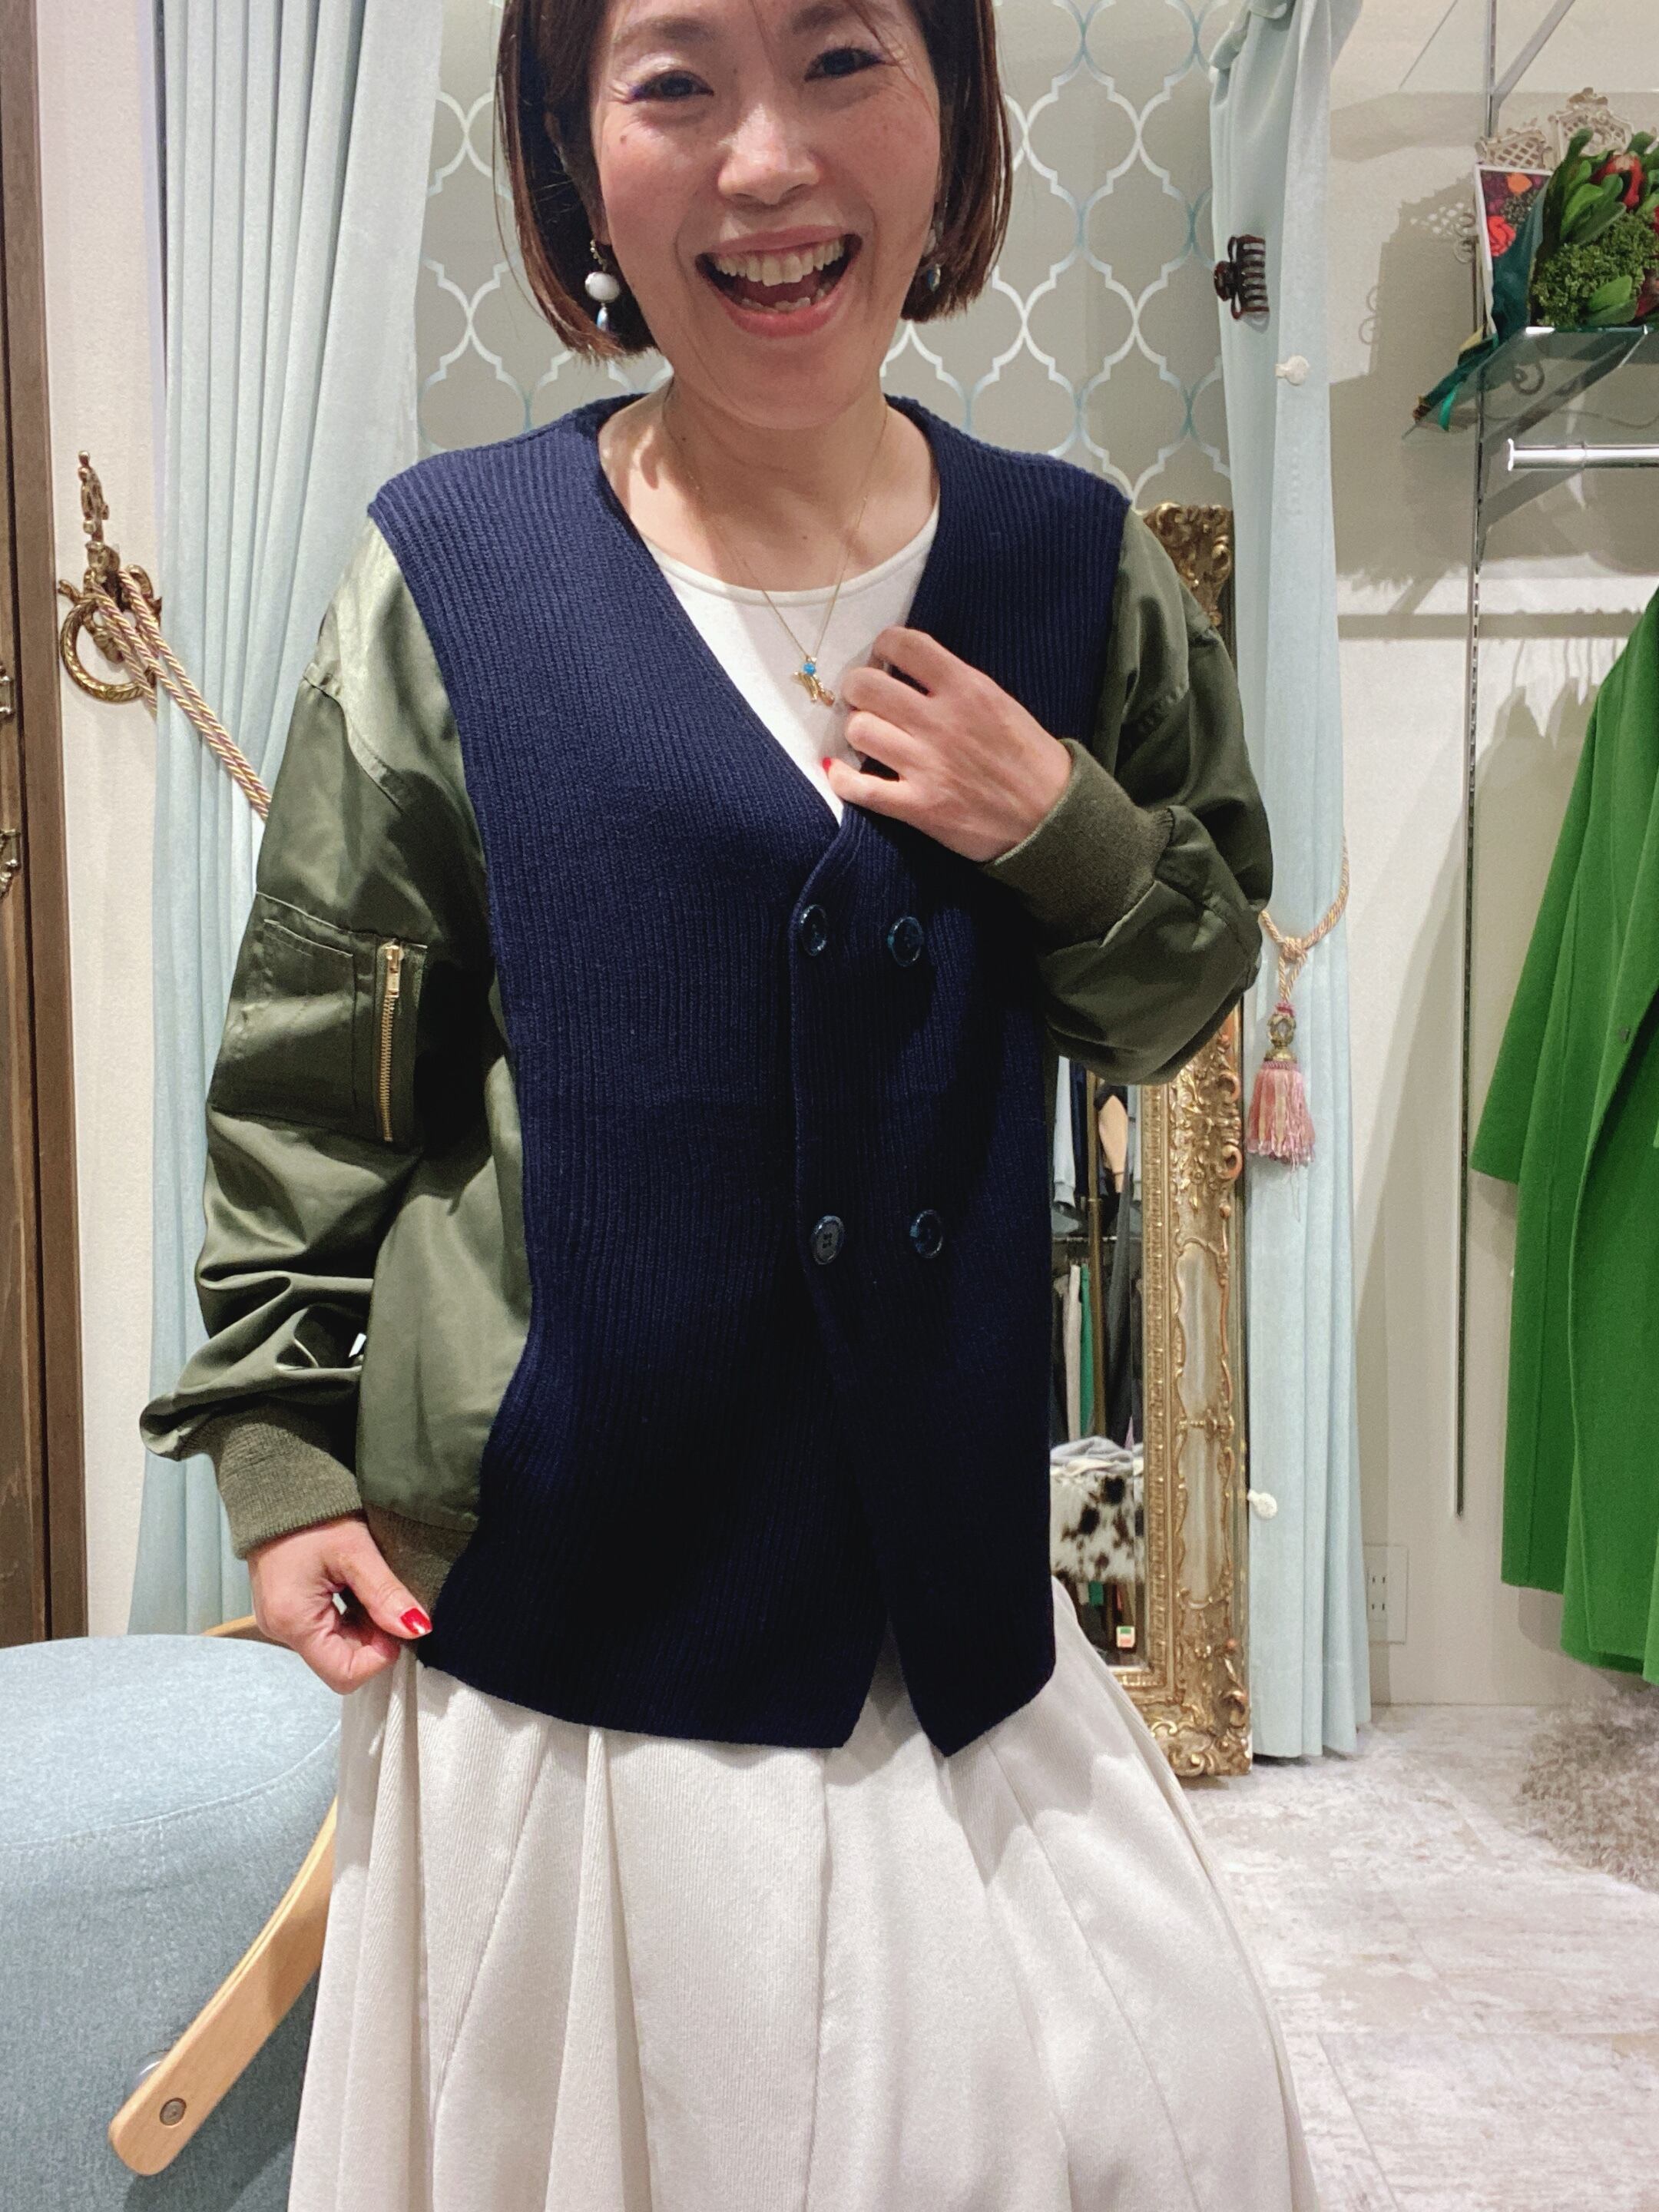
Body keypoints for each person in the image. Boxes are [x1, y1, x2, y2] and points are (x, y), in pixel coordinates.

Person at [141, 1, 1320, 2204]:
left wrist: (1056, 821)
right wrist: (282, 1445)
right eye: (676, 81)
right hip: (567, 1625)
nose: (767, 161)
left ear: (953, 120)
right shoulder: (453, 573)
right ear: (573, 157)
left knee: (1138, 2114)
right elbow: (322, 1053)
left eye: (844, 59)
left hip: (949, 1616)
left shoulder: (1078, 573)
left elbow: (1185, 997)